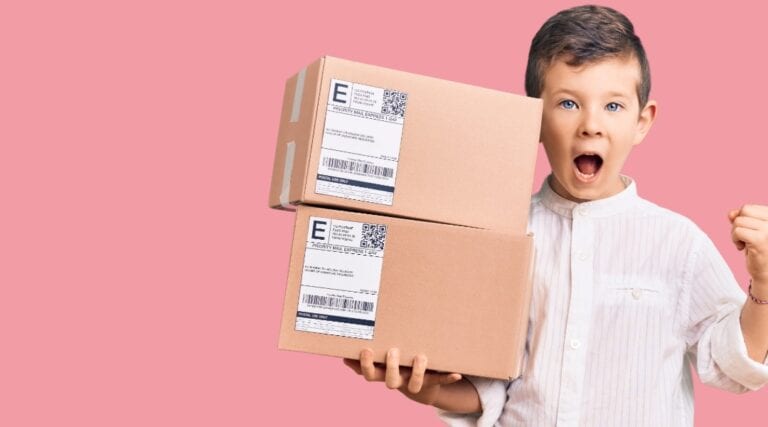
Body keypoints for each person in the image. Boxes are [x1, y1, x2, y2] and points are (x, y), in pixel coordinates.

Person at [342, 5, 768, 426]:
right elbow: (490, 384)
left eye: (613, 107)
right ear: (534, 119)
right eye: (567, 103)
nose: (591, 126)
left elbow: (735, 364)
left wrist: (765, 282)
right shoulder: (502, 236)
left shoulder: (679, 243)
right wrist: (425, 386)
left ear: (643, 121)